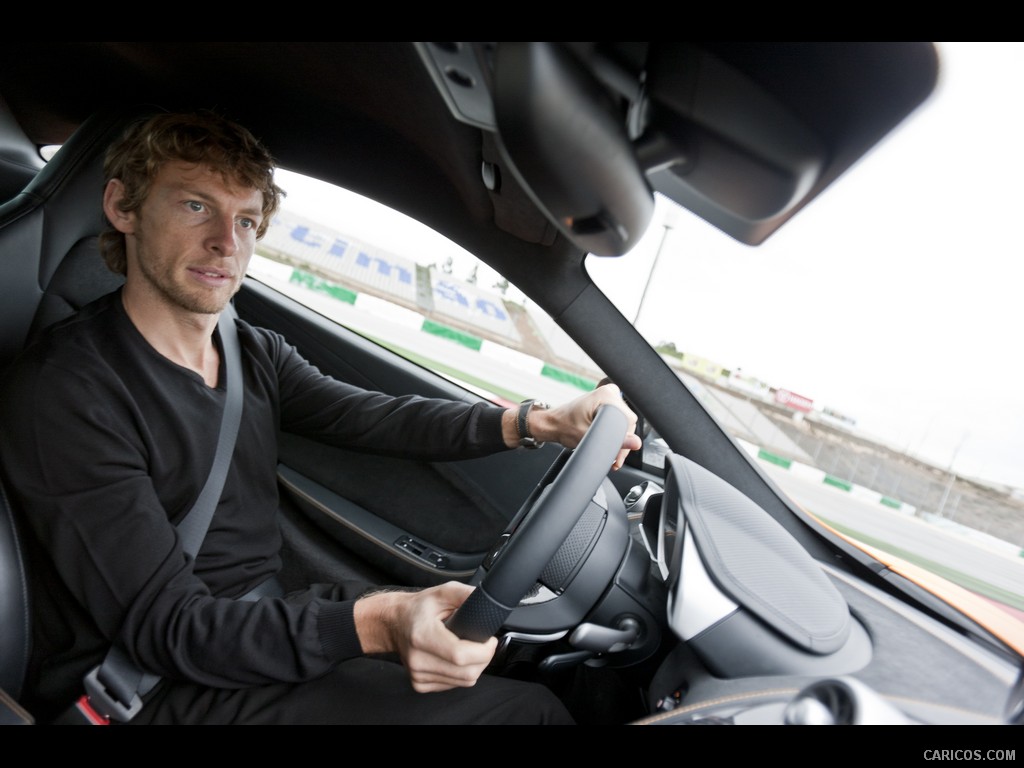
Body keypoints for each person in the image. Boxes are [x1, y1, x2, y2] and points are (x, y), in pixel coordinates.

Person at [0, 110, 641, 725]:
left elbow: (376, 418)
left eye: (247, 220)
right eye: (195, 206)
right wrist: (377, 623)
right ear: (123, 207)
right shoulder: (67, 392)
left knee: (537, 683)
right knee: (529, 714)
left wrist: (538, 423)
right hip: (154, 687)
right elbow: (168, 628)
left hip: (253, 636)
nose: (227, 241)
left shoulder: (247, 348)